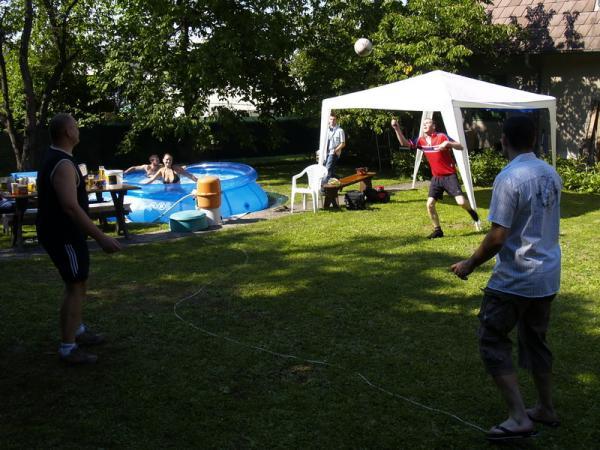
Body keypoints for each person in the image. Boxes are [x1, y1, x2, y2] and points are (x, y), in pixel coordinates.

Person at [450, 115, 562, 442]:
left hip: (516, 278)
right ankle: (545, 408)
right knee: (536, 340)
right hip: (546, 277)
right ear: (534, 139)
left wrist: (470, 263)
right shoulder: (551, 173)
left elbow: (498, 236)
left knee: (491, 337)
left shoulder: (509, 178)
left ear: (504, 140)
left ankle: (518, 417)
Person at [36, 113, 122, 365]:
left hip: (67, 233)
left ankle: (78, 330)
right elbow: (70, 207)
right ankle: (68, 347)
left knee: (79, 281)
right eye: (75, 126)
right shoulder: (62, 164)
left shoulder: (60, 158)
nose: (78, 129)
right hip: (63, 234)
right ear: (67, 132)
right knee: (75, 285)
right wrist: (101, 237)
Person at [391, 117, 480, 238]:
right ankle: (438, 230)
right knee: (430, 204)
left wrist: (448, 143)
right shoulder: (421, 141)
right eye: (424, 123)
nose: (425, 125)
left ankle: (470, 210)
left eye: (428, 123)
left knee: (461, 202)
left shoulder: (441, 137)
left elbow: (460, 146)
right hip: (436, 178)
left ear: (434, 126)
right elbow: (404, 143)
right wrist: (396, 128)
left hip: (449, 176)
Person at [323, 113, 346, 183]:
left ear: (336, 120)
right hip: (325, 152)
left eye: (334, 119)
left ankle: (323, 186)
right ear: (328, 120)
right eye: (331, 119)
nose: (332, 121)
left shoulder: (340, 130)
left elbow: (343, 143)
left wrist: (335, 150)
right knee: (329, 170)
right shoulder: (326, 130)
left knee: (327, 169)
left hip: (333, 153)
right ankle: (340, 180)